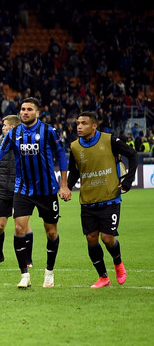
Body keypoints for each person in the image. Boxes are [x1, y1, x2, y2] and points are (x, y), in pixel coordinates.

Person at [0, 97, 71, 289]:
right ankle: (24, 275)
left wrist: (64, 184)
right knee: (19, 229)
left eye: (29, 109)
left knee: (51, 232)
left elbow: (61, 155)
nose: (25, 112)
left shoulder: (48, 131)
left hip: (46, 190)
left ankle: (49, 271)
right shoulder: (14, 134)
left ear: (37, 113)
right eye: (22, 109)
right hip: (22, 189)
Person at [67, 111, 138, 288]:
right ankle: (103, 277)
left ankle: (118, 263)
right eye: (78, 123)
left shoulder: (110, 140)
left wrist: (128, 180)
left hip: (110, 199)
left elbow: (133, 154)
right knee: (91, 239)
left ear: (94, 126)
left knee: (107, 238)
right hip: (87, 201)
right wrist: (66, 188)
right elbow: (74, 172)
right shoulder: (75, 147)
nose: (79, 126)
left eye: (84, 123)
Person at [0, 115, 33, 267]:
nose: (2, 127)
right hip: (3, 191)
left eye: (4, 125)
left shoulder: (25, 145)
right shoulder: (0, 146)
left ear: (11, 127)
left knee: (23, 225)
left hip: (20, 192)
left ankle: (28, 259)